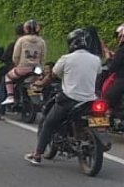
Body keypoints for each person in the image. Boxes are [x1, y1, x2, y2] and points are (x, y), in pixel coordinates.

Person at [25, 29, 101, 165]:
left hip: (69, 100)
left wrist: (40, 83)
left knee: (48, 122)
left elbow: (52, 75)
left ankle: (37, 155)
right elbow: (98, 76)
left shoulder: (67, 59)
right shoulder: (96, 60)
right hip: (90, 101)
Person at [1, 20, 47, 106]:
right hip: (36, 69)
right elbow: (43, 56)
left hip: (22, 68)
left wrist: (16, 63)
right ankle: (38, 96)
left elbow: (16, 56)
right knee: (37, 82)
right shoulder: (42, 41)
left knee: (8, 77)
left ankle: (10, 96)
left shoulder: (21, 40)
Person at [0, 23, 25, 120]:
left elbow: (8, 58)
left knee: (3, 84)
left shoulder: (14, 45)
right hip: (34, 70)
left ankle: (0, 111)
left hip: (17, 70)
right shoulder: (35, 43)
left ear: (16, 33)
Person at [102, 25, 124, 113]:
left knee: (106, 101)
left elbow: (112, 68)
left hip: (121, 82)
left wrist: (108, 59)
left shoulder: (122, 50)